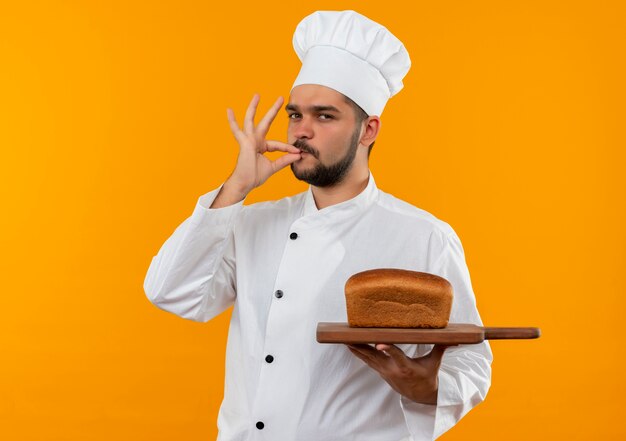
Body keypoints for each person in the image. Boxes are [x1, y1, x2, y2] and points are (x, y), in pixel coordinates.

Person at [144, 10, 492, 441]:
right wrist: (235, 188)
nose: (301, 131)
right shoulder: (250, 223)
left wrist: (427, 386)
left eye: (324, 116)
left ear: (368, 130)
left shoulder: (424, 236)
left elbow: (471, 362)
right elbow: (169, 292)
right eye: (295, 114)